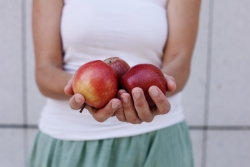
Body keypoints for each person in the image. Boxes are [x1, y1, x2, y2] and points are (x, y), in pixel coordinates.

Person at [29, 0, 200, 166]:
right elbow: (45, 70)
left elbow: (180, 60)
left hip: (157, 143)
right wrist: (76, 88)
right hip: (68, 138)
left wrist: (162, 83)